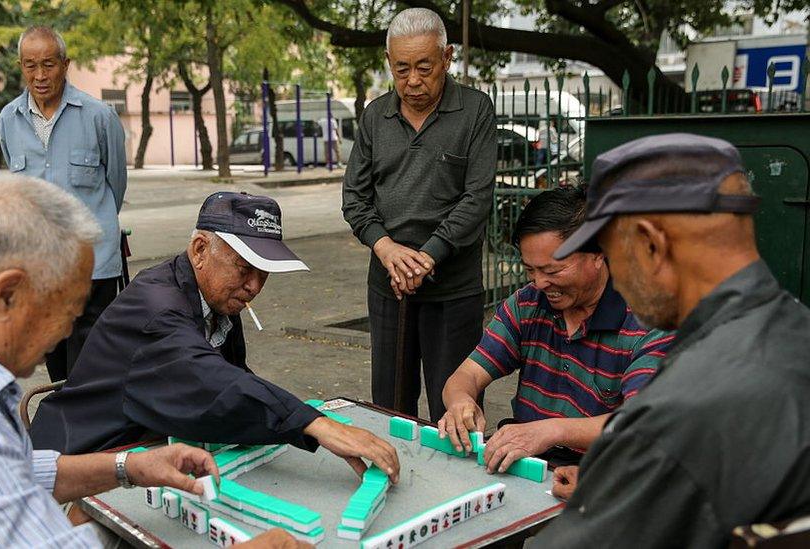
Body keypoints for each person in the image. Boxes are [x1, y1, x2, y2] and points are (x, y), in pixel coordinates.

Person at [0, 175, 301, 548]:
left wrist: (128, 467)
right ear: (7, 295)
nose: (69, 331)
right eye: (68, 309)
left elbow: (9, 471)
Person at [530, 133, 810, 548]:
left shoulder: (682, 409)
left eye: (611, 254)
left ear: (651, 244)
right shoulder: (795, 329)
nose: (616, 278)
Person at [31, 191, 401, 483]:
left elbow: (235, 376)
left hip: (151, 445)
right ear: (200, 250)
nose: (254, 286)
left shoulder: (215, 295)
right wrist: (314, 424)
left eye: (264, 272)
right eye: (244, 269)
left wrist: (300, 417)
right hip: (80, 460)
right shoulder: (157, 306)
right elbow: (210, 379)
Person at [438, 187, 671, 470]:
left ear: (599, 253)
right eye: (529, 270)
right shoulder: (527, 304)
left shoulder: (650, 322)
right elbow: (466, 374)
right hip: (529, 462)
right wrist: (460, 402)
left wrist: (551, 431)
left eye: (552, 271)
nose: (538, 283)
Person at [342, 7, 496, 421]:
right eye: (402, 68)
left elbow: (477, 198)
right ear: (389, 64)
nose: (413, 81)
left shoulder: (476, 110)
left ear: (446, 58)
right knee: (390, 406)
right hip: (388, 285)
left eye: (424, 67)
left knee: (456, 408)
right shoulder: (376, 115)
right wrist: (387, 248)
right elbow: (355, 198)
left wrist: (428, 256)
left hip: (453, 290)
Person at [0, 26, 127, 382]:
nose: (40, 76)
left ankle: (95, 436)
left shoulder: (99, 116)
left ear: (65, 64)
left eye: (49, 65)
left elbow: (116, 183)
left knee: (92, 365)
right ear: (21, 67)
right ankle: (64, 434)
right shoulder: (8, 119)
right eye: (30, 65)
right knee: (54, 364)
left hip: (95, 266)